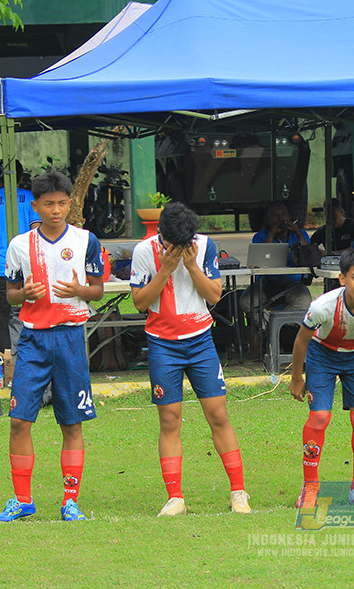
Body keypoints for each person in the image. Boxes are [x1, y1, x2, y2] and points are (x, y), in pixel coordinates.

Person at [0, 171, 104, 523]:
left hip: (70, 337)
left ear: (70, 203)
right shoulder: (19, 245)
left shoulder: (86, 240)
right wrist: (22, 294)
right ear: (35, 206)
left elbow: (98, 289)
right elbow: (10, 293)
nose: (56, 210)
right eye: (48, 204)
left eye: (62, 203)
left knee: (71, 424)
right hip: (32, 340)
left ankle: (70, 500)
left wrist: (80, 292)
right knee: (18, 421)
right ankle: (22, 500)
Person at [130, 202, 251, 516]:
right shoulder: (144, 251)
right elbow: (140, 303)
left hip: (200, 341)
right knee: (169, 420)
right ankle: (175, 498)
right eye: (173, 243)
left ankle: (239, 493)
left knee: (218, 415)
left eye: (186, 243)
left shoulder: (205, 246)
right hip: (162, 345)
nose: (180, 248)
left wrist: (193, 265)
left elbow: (213, 296)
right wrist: (166, 270)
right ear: (162, 236)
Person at [289, 248, 354, 508]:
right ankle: (310, 488)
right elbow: (301, 340)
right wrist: (296, 378)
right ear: (342, 278)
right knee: (319, 417)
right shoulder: (322, 306)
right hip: (322, 355)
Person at [0, 159, 41, 357]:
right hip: (27, 267)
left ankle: (7, 362)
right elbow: (36, 231)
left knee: (2, 318)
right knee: (29, 314)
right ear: (20, 177)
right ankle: (29, 359)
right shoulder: (30, 198)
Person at [239, 201, 313, 315]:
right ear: (268, 220)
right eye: (275, 215)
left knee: (304, 301)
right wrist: (271, 234)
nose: (280, 218)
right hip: (266, 283)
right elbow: (260, 259)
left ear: (290, 217)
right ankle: (270, 327)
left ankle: (278, 325)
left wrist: (298, 233)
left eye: (284, 214)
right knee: (246, 302)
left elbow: (308, 255)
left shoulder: (300, 234)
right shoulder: (259, 236)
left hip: (293, 283)